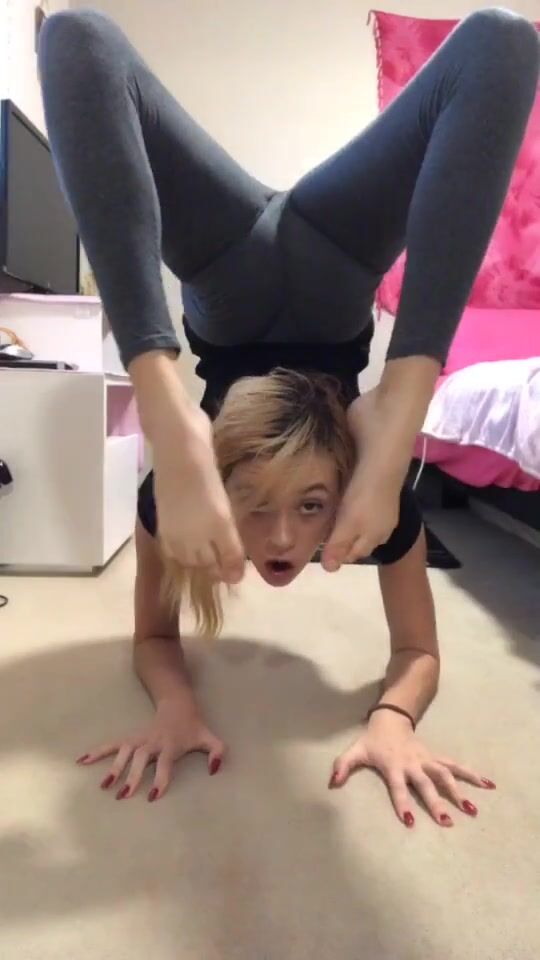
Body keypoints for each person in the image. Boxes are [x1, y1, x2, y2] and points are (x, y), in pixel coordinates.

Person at [38, 8, 537, 823]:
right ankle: (184, 407)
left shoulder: (301, 495)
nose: (280, 540)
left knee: (504, 35)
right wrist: (175, 705)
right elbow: (416, 651)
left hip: (224, 269)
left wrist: (392, 718)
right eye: (257, 503)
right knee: (505, 41)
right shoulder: (373, 499)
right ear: (216, 482)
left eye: (309, 506)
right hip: (336, 263)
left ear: (340, 485)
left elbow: (414, 651)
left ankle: (394, 400)